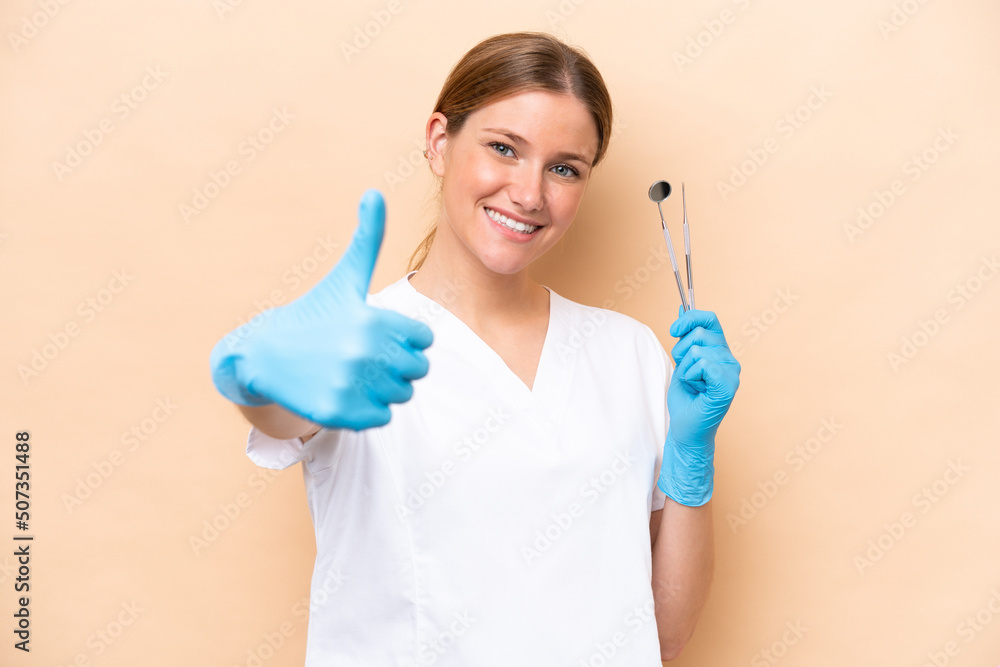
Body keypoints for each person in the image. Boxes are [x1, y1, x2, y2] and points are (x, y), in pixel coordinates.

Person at [209, 31, 740, 665]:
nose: (530, 193)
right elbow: (286, 415)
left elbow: (665, 635)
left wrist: (691, 455)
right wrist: (261, 386)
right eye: (503, 148)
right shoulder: (364, 344)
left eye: (565, 167)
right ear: (439, 141)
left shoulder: (629, 354)